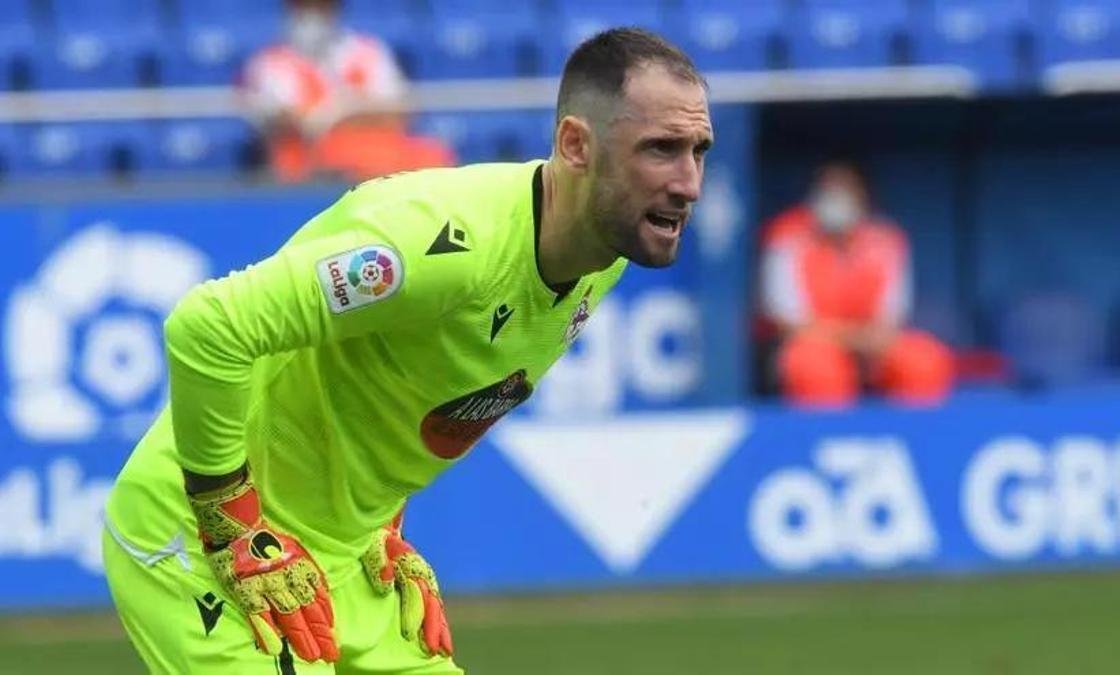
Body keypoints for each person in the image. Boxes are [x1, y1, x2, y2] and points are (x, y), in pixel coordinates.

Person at [102, 27, 713, 674]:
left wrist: (383, 527)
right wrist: (232, 524)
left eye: (699, 151)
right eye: (661, 150)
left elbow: (410, 391)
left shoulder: (602, 256)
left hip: (337, 556)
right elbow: (209, 326)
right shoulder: (442, 249)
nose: (689, 182)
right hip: (205, 542)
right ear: (575, 145)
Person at [757, 159, 953, 407]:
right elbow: (787, 323)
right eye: (829, 189)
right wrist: (851, 339)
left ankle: (916, 439)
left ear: (862, 196)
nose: (837, 197)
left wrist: (868, 343)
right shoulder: (786, 237)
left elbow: (891, 318)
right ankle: (822, 438)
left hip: (871, 347)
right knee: (815, 366)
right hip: (813, 344)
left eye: (846, 189)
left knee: (923, 360)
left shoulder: (886, 239)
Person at [240, 0, 455, 183]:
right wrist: (355, 111)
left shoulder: (367, 51)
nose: (314, 14)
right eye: (305, 6)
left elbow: (397, 110)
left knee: (432, 155)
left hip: (380, 155)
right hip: (312, 166)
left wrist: (339, 113)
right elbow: (293, 121)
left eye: (322, 6)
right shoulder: (269, 62)